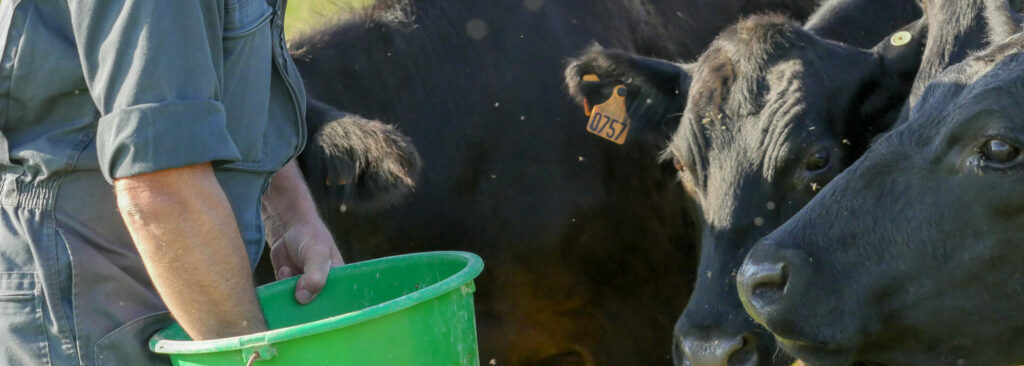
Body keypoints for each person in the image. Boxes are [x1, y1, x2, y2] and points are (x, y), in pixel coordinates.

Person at [0, 0, 342, 364]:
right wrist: (247, 352)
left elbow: (215, 76)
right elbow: (159, 188)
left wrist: (288, 211)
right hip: (90, 321)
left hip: (178, 293)